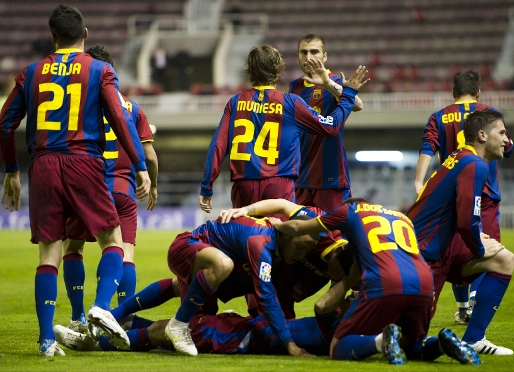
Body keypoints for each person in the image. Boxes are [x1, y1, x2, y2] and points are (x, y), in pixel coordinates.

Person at [0, 5, 151, 356]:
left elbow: (5, 124)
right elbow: (118, 118)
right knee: (112, 237)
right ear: (85, 35)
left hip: (43, 165)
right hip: (84, 161)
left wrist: (10, 171)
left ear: (53, 37)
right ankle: (100, 307)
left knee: (49, 253)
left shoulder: (31, 72)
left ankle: (46, 341)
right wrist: (140, 164)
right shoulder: (100, 70)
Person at [269, 198, 480, 365]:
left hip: (385, 280)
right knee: (413, 344)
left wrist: (277, 225)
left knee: (337, 347)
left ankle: (380, 342)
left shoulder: (350, 211)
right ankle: (441, 344)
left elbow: (299, 227)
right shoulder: (402, 217)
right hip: (424, 280)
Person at [198, 44, 369, 213]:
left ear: (249, 69)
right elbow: (330, 127)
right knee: (279, 237)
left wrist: (207, 186)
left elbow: (218, 146)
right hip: (279, 186)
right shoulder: (290, 102)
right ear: (279, 69)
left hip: (243, 186)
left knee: (248, 236)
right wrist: (347, 96)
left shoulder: (235, 103)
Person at [62, 45, 159, 332]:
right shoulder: (133, 108)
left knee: (73, 248)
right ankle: (121, 317)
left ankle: (78, 317)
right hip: (122, 189)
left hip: (86, 187)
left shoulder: (76, 106)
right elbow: (150, 156)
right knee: (124, 252)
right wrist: (152, 184)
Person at [409, 109, 514, 355]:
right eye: (501, 133)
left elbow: (464, 219)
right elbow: (468, 221)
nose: (506, 139)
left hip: (439, 246)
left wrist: (477, 239)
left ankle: (474, 340)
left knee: (504, 260)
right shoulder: (475, 165)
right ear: (482, 136)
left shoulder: (460, 157)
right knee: (411, 341)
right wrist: (478, 248)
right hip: (423, 255)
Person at [165, 214, 321, 357]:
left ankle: (141, 316)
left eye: (306, 252)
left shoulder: (274, 239)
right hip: (187, 247)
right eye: (300, 248)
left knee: (202, 321)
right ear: (287, 234)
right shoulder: (262, 244)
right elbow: (266, 297)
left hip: (209, 263)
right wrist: (290, 345)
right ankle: (178, 324)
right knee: (223, 267)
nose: (301, 256)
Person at [54, 278, 332, 356]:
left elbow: (322, 308)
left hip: (242, 335)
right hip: (250, 326)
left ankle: (97, 341)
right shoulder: (350, 320)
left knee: (169, 330)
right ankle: (121, 321)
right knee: (182, 285)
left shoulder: (340, 332)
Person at [218, 198, 349, 319]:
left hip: (307, 274)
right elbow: (282, 205)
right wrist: (246, 209)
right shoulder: (320, 225)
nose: (334, 275)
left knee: (287, 313)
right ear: (338, 251)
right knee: (262, 289)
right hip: (283, 262)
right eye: (336, 270)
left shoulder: (358, 267)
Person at [290, 34, 363, 211]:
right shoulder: (295, 86)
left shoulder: (335, 82)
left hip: (330, 177)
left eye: (314, 52)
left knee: (336, 234)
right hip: (300, 179)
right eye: (303, 52)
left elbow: (357, 104)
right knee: (300, 236)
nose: (308, 57)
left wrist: (327, 83)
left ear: (325, 56)